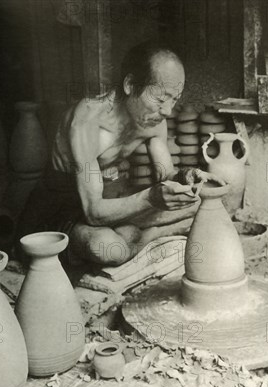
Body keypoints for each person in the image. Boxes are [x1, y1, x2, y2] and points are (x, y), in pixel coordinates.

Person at [16, 41, 223, 266]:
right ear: (130, 84)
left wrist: (187, 175)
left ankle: (133, 234)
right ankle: (152, 235)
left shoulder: (153, 120)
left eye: (175, 99)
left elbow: (166, 175)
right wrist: (150, 197)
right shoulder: (88, 121)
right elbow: (93, 212)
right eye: (161, 99)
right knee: (107, 249)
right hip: (60, 206)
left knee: (201, 204)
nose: (167, 110)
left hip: (110, 203)